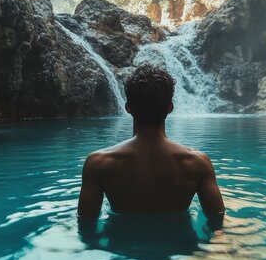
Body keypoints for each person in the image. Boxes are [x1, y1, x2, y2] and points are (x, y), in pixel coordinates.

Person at [77, 63, 225, 219]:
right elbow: (217, 220)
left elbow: (86, 224)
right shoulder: (197, 163)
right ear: (170, 107)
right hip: (180, 243)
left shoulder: (98, 163)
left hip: (123, 242)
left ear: (128, 108)